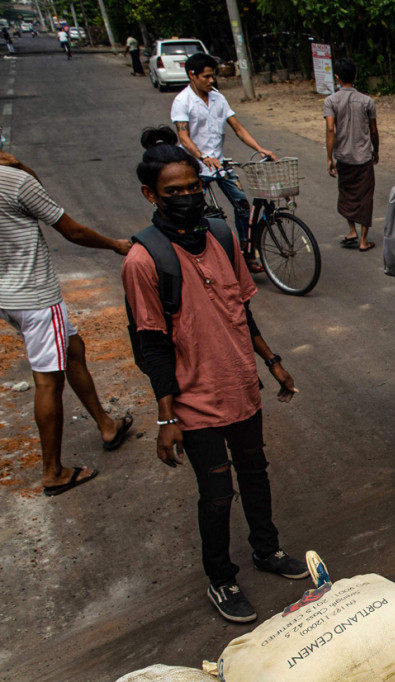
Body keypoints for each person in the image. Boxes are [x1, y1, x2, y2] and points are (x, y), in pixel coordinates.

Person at [123, 127, 306, 623]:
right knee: (217, 491)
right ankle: (221, 578)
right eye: (172, 192)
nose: (185, 199)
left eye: (192, 188)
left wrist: (272, 362)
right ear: (150, 195)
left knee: (256, 471)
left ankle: (266, 550)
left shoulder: (222, 237)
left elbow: (239, 312)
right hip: (193, 401)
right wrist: (165, 418)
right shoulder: (145, 259)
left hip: (241, 384)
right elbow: (152, 344)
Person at [0, 151, 134, 497]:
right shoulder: (15, 181)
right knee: (47, 382)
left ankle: (106, 425)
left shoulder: (15, 178)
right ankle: (53, 472)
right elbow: (70, 229)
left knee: (74, 350)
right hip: (36, 296)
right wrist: (115, 245)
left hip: (8, 295)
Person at [172, 52, 277, 273]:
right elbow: (183, 138)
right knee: (203, 215)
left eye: (213, 76)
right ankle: (203, 259)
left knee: (242, 205)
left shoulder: (218, 98)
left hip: (219, 164)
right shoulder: (182, 101)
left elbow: (238, 129)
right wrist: (202, 157)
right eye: (206, 76)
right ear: (192, 75)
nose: (211, 81)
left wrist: (259, 148)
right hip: (194, 167)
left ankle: (245, 252)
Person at [324, 57, 378, 252]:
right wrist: (376, 149)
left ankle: (351, 230)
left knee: (347, 194)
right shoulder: (367, 101)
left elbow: (330, 130)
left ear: (337, 77)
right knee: (365, 196)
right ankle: (363, 240)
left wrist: (329, 157)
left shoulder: (331, 101)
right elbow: (373, 130)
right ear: (355, 76)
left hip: (344, 157)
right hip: (363, 157)